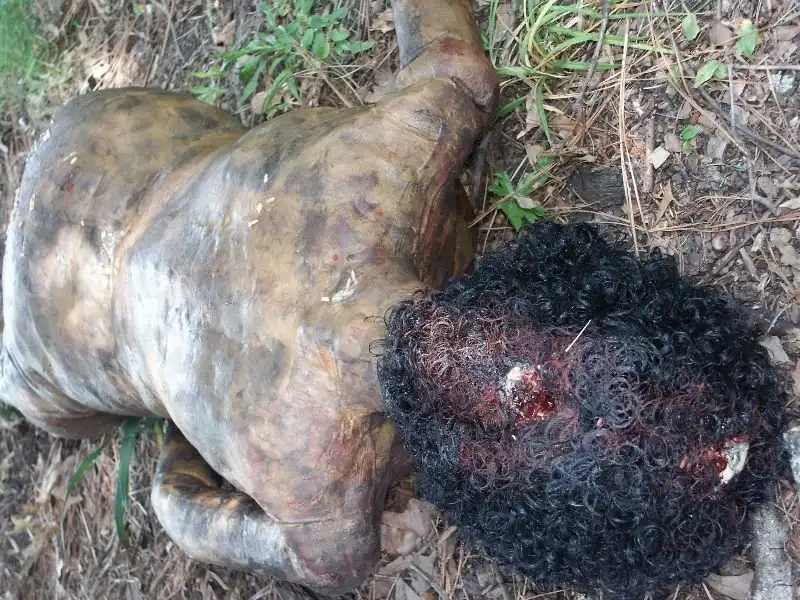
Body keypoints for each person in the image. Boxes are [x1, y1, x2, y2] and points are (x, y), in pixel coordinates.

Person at [0, 0, 787, 598]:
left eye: (541, 407)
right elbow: (175, 506)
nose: (519, 379)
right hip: (54, 292)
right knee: (54, 406)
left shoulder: (401, 152)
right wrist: (185, 414)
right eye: (587, 373)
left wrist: (188, 412)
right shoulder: (323, 514)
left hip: (97, 151)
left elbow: (177, 507)